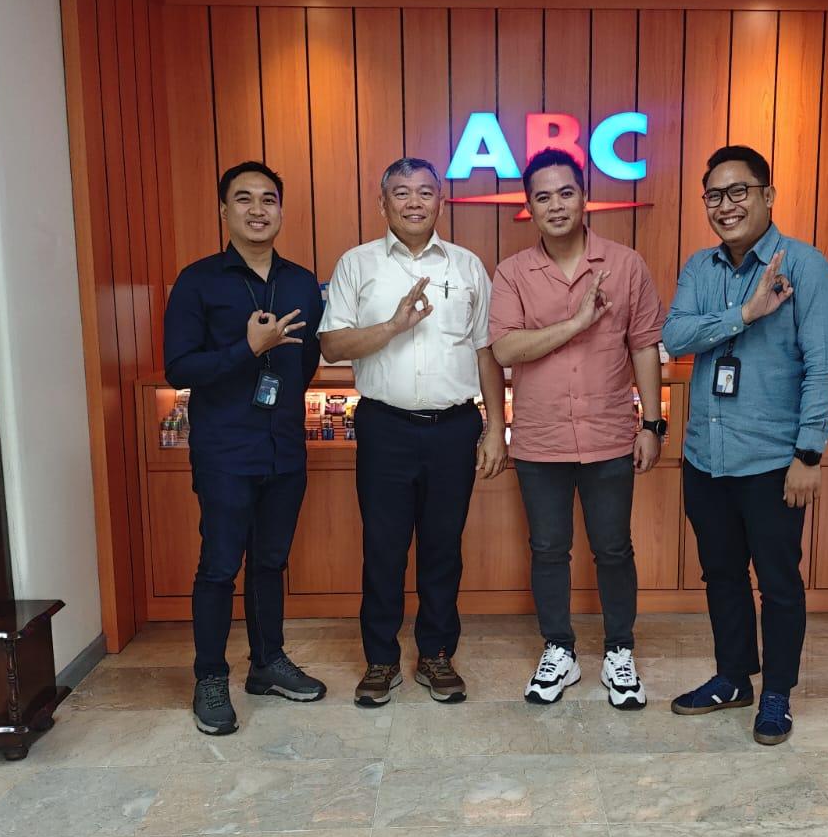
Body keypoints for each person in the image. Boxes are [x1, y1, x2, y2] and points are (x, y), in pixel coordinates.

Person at [663, 144, 828, 745]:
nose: (726, 206)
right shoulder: (700, 268)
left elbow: (823, 366)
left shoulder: (807, 267)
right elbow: (675, 335)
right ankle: (733, 677)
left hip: (773, 460)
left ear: (768, 195)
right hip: (705, 456)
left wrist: (809, 454)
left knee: (779, 582)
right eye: (714, 195)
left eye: (738, 191)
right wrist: (745, 312)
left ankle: (777, 694)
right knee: (721, 574)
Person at [318, 158, 507, 707]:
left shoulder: (468, 266)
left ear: (440, 202)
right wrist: (393, 326)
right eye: (401, 193)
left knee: (443, 548)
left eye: (425, 192)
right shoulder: (357, 264)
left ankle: (436, 654)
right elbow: (332, 345)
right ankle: (380, 660)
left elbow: (486, 351)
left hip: (454, 428)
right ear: (383, 203)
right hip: (385, 427)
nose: (414, 202)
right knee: (383, 548)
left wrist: (496, 428)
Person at [489, 147, 666, 709]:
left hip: (610, 434)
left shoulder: (626, 264)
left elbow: (644, 345)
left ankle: (619, 651)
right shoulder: (512, 273)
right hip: (540, 439)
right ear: (529, 207)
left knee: (613, 548)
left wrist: (653, 423)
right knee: (548, 549)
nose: (556, 205)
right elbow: (505, 348)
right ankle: (559, 650)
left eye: (566, 192)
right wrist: (577, 322)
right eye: (543, 197)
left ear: (584, 197)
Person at [164, 160, 326, 736]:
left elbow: (306, 362)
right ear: (223, 210)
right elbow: (180, 367)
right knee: (219, 566)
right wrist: (247, 348)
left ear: (281, 210)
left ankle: (267, 663)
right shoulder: (198, 281)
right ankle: (210, 676)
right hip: (225, 450)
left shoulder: (302, 281)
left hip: (285, 447)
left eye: (268, 199)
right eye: (244, 198)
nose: (258, 210)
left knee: (271, 562)